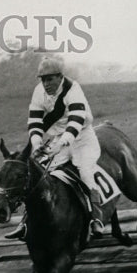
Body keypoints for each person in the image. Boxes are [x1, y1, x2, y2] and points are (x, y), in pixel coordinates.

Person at [6, 56, 105, 240]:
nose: (46, 83)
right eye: (43, 79)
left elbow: (76, 120)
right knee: (39, 172)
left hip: (82, 136)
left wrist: (60, 144)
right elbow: (35, 121)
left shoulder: (73, 89)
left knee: (85, 172)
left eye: (50, 78)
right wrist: (36, 144)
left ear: (60, 77)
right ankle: (25, 222)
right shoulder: (38, 92)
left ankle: (96, 219)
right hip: (58, 137)